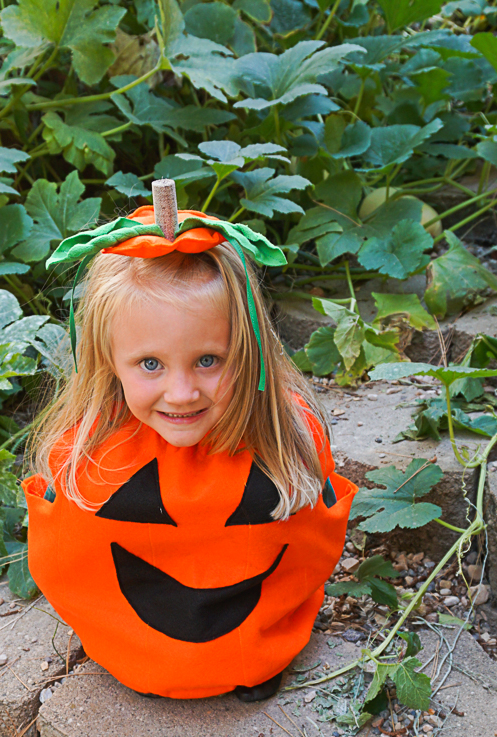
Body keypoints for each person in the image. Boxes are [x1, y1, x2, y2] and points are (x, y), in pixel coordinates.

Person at [23, 195, 357, 702]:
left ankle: (254, 657)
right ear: (107, 359)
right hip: (128, 646)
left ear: (248, 350)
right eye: (150, 365)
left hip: (257, 634)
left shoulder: (280, 437)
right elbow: (70, 564)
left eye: (208, 360)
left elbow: (304, 552)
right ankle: (139, 658)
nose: (181, 394)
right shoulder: (91, 453)